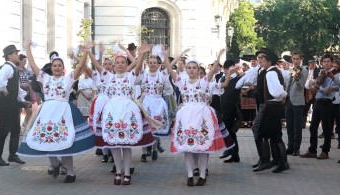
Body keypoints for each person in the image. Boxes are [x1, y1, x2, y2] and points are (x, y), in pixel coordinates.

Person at [17, 41, 95, 183]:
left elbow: (80, 67)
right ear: (51, 67)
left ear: (63, 68)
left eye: (59, 65)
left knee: (65, 140)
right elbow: (33, 65)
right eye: (54, 65)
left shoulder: (68, 79)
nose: (57, 67)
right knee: (46, 138)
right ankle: (54, 163)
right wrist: (27, 48)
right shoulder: (45, 78)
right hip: (47, 113)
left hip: (63, 112)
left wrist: (86, 52)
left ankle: (70, 172)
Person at [89, 42, 155, 185]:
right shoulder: (108, 77)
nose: (120, 65)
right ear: (113, 65)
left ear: (126, 64)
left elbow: (138, 67)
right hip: (112, 111)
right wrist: (89, 52)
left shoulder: (131, 76)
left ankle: (127, 173)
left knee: (126, 144)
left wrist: (142, 54)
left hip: (127, 111)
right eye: (117, 63)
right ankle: (118, 172)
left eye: (122, 62)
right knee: (114, 144)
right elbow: (96, 64)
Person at [167, 49, 232, 186]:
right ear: (186, 69)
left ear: (198, 70)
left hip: (202, 115)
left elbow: (213, 70)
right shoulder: (181, 82)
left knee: (203, 146)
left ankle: (202, 175)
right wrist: (173, 56)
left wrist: (218, 57)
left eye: (194, 68)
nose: (191, 70)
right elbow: (170, 70)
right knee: (187, 147)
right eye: (189, 68)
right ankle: (190, 175)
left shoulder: (203, 82)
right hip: (186, 116)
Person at [0, 45, 31, 166]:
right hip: (5, 103)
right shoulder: (7, 67)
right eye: (15, 53)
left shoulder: (13, 68)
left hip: (13, 102)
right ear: (9, 55)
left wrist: (22, 99)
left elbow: (16, 87)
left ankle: (12, 155)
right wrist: (4, 90)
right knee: (4, 129)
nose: (17, 55)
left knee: (15, 129)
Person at [252, 48, 289, 173]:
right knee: (276, 135)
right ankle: (282, 162)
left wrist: (283, 94)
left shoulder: (270, 73)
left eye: (264, 59)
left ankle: (266, 161)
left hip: (271, 106)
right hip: (274, 106)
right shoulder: (273, 71)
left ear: (269, 61)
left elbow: (276, 91)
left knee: (262, 133)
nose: (261, 61)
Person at [300, 54, 340, 160]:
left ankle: (325, 151)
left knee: (326, 128)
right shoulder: (321, 72)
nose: (326, 63)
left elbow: (338, 84)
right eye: (324, 62)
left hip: (327, 102)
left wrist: (332, 83)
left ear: (331, 62)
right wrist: (315, 85)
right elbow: (317, 85)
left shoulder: (335, 73)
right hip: (318, 101)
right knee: (313, 127)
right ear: (322, 63)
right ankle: (312, 150)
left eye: (328, 61)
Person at [284, 50, 308, 156]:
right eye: (293, 59)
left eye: (297, 59)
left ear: (301, 59)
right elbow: (286, 84)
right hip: (288, 100)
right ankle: (290, 146)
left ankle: (296, 148)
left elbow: (301, 86)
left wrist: (297, 77)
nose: (295, 61)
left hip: (298, 101)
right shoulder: (290, 69)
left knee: (297, 127)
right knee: (289, 126)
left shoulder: (304, 70)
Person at [17, 54, 33, 130]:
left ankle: (26, 126)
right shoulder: (15, 70)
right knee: (18, 111)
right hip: (18, 94)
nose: (25, 63)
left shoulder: (26, 70)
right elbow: (13, 82)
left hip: (27, 93)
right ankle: (18, 128)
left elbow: (30, 79)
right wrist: (21, 85)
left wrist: (30, 83)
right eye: (24, 61)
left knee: (30, 111)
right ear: (19, 60)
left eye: (26, 61)